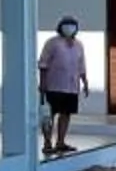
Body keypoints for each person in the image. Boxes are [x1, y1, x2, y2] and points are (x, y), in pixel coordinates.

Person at [36, 16, 89, 158]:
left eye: (72, 25)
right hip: (53, 85)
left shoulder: (78, 45)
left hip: (71, 86)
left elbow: (81, 65)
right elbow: (43, 64)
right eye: (67, 25)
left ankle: (61, 142)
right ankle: (47, 143)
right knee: (50, 115)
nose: (69, 28)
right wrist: (43, 83)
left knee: (66, 114)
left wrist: (85, 82)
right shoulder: (52, 43)